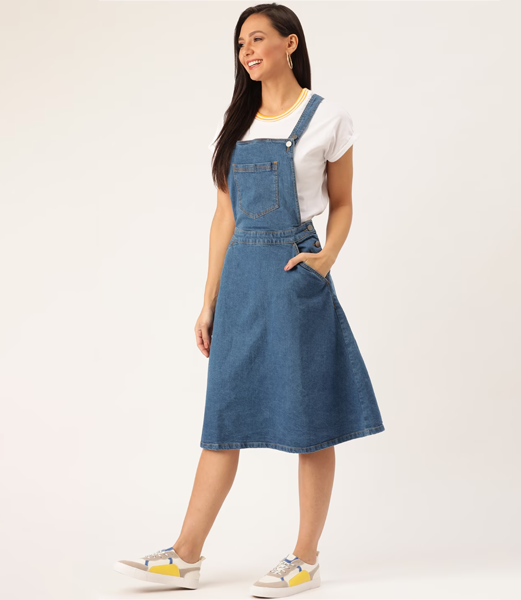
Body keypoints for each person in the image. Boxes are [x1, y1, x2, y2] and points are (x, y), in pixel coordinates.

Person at [114, 3, 385, 597]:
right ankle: (185, 556)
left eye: (258, 39)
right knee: (224, 417)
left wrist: (326, 258)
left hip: (293, 276)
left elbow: (342, 203)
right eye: (241, 45)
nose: (248, 52)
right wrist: (208, 301)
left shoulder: (328, 118)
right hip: (241, 279)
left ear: (291, 43)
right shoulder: (238, 121)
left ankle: (306, 558)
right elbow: (224, 218)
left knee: (310, 418)